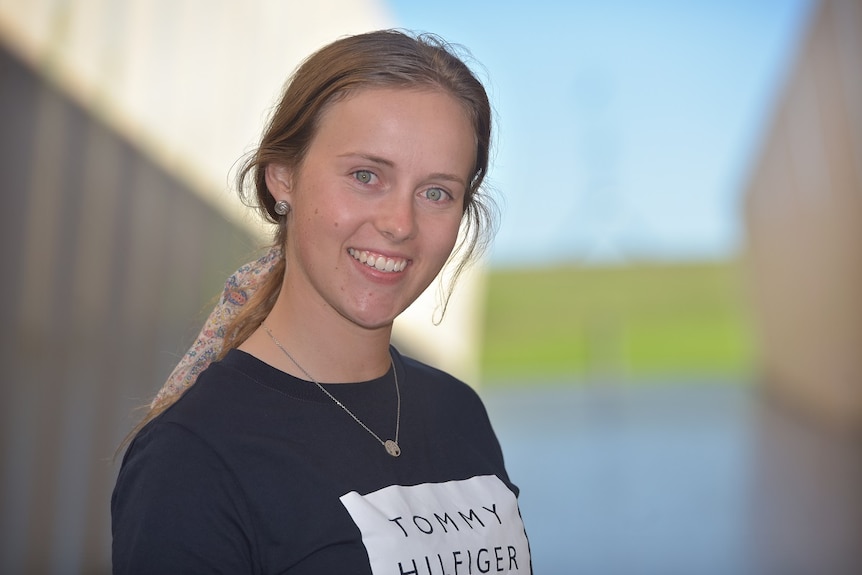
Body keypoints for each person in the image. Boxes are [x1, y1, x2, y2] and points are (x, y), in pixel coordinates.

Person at [112, 29, 531, 574]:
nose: (400, 224)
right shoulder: (192, 456)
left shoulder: (458, 412)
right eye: (365, 175)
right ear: (283, 177)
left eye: (436, 192)